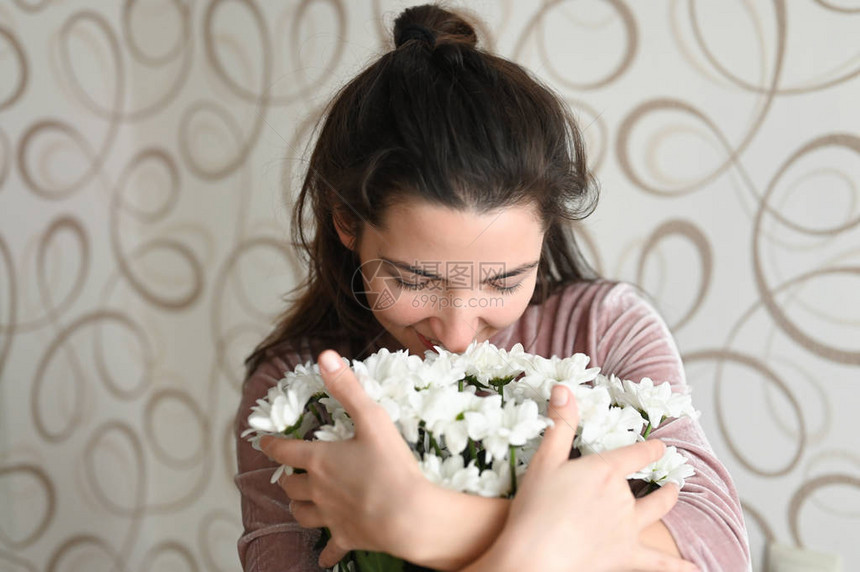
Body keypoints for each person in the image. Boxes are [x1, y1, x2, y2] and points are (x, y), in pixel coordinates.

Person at [235, 4, 751, 571]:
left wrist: (425, 522)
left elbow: (717, 553)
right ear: (346, 223)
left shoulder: (603, 330)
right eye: (415, 279)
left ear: (545, 232)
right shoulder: (293, 394)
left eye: (504, 280)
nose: (458, 332)